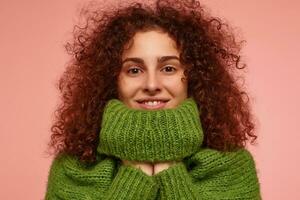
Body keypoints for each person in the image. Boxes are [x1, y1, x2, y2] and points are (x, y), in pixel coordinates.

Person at [45, 0, 261, 199]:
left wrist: (172, 177)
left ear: (192, 78)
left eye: (168, 68)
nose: (151, 84)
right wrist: (134, 179)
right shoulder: (71, 169)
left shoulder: (232, 167)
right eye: (134, 70)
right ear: (111, 80)